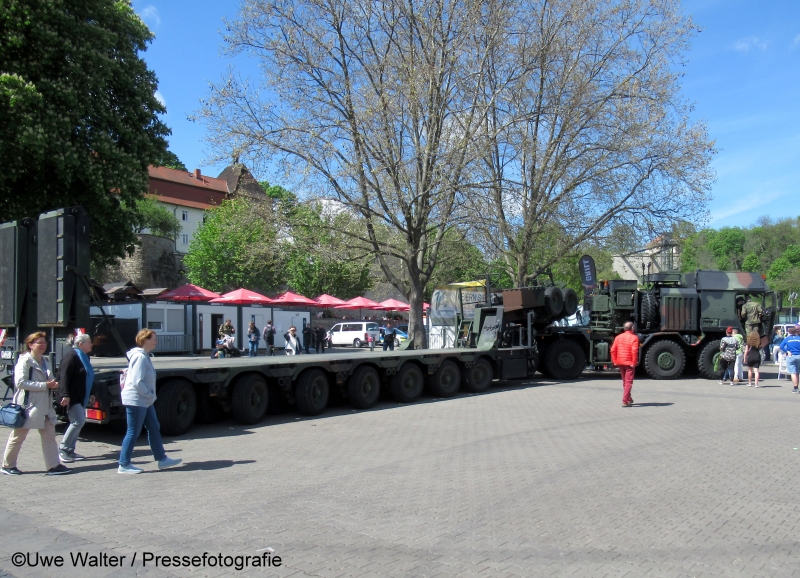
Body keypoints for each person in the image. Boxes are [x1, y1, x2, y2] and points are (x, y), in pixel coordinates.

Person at [2, 332, 70, 475]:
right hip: (28, 406)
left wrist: (55, 385)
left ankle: (53, 465)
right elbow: (20, 383)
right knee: (18, 436)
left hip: (45, 406)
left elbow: (49, 380)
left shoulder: (45, 361)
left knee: (49, 435)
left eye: (44, 342)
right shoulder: (25, 361)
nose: (43, 345)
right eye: (39, 343)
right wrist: (45, 385)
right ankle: (8, 466)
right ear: (31, 345)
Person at [118, 329, 182, 474]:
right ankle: (124, 464)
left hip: (145, 400)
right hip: (137, 400)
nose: (156, 341)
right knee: (133, 431)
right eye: (154, 338)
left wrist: (149, 396)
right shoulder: (140, 357)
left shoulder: (145, 356)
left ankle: (162, 459)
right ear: (145, 340)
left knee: (154, 427)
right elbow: (136, 381)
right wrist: (149, 395)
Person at [56, 333, 96, 463]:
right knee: (78, 421)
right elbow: (64, 377)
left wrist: (91, 393)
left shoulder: (84, 357)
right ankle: (63, 449)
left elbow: (87, 376)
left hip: (81, 395)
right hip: (72, 396)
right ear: (80, 344)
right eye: (89, 342)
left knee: (78, 422)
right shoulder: (71, 356)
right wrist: (65, 395)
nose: (91, 344)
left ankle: (70, 451)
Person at [610, 321, 639, 407]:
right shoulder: (634, 338)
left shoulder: (618, 337)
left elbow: (612, 350)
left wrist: (615, 361)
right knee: (629, 382)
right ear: (632, 328)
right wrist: (634, 362)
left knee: (625, 382)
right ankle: (625, 400)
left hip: (620, 362)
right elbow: (634, 351)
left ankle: (629, 398)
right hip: (629, 363)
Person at [778, 326, 800, 393]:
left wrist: (787, 351)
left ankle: (795, 388)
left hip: (791, 356)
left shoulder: (787, 339)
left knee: (793, 373)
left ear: (789, 332)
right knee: (797, 372)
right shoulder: (799, 338)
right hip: (799, 355)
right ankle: (797, 386)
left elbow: (781, 346)